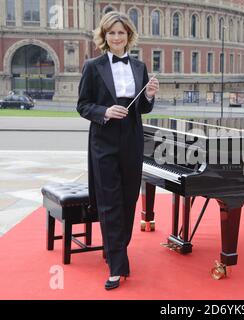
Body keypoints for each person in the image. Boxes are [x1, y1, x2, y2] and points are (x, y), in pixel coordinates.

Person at [77, 11, 159, 290]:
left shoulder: (139, 67)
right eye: (111, 33)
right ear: (104, 36)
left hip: (133, 137)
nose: (116, 37)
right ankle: (117, 265)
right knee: (110, 201)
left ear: (128, 36)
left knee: (128, 199)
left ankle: (114, 248)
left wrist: (149, 94)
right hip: (104, 139)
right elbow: (83, 105)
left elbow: (143, 108)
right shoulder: (92, 66)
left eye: (121, 33)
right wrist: (105, 111)